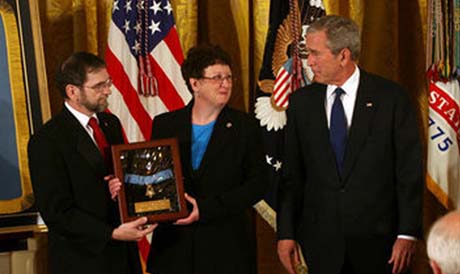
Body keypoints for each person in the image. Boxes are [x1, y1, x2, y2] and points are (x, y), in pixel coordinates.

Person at [276, 15, 423, 274]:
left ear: (343, 56)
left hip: (381, 247)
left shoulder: (391, 98)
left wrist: (408, 233)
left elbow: (408, 172)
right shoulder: (301, 103)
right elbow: (292, 176)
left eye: (315, 54)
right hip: (320, 246)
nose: (308, 62)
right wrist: (285, 233)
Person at [110, 45, 267, 274]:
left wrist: (205, 209)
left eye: (228, 77)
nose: (226, 83)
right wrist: (126, 189)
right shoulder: (165, 124)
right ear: (195, 84)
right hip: (174, 249)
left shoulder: (246, 126)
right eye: (217, 78)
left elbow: (258, 184)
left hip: (226, 248)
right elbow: (153, 178)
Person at [28, 52, 155, 274]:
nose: (108, 90)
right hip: (83, 260)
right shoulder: (47, 140)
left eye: (108, 82)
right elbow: (57, 212)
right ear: (72, 91)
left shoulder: (110, 123)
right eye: (98, 86)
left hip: (124, 257)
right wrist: (112, 232)